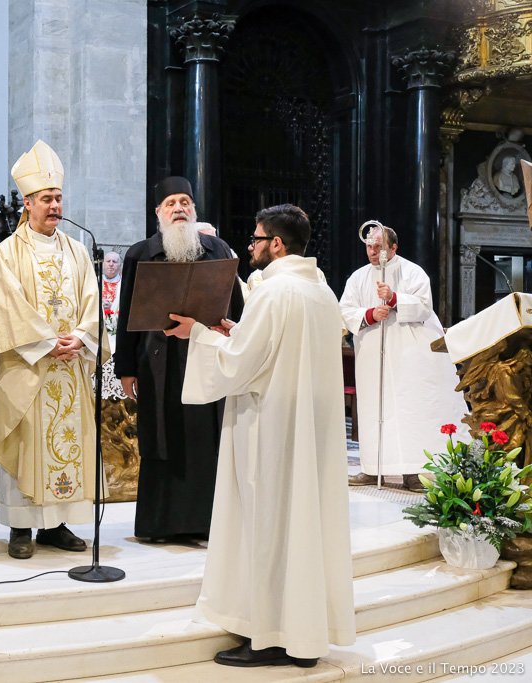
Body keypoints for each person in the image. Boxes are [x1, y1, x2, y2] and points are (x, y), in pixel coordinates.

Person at [167, 204, 355, 667]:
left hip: (269, 431)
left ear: (277, 243)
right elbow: (270, 347)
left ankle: (267, 637)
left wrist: (198, 335)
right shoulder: (321, 292)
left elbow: (240, 364)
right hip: (308, 433)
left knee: (268, 529)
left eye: (255, 239)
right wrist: (236, 332)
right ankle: (305, 636)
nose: (250, 247)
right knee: (302, 527)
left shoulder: (276, 293)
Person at [0, 139, 104, 560]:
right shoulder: (6, 253)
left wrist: (81, 338)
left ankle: (57, 524)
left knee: (65, 443)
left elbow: (91, 302)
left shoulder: (78, 250)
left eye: (59, 198)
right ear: (27, 203)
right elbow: (2, 308)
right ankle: (21, 527)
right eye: (47, 199)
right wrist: (47, 343)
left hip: (69, 367)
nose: (55, 206)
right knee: (27, 443)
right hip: (27, 368)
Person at [113, 176, 242, 542]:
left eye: (185, 202)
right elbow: (126, 317)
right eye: (170, 203)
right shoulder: (140, 253)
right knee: (162, 438)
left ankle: (206, 523)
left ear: (194, 209)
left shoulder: (217, 249)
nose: (179, 208)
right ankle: (160, 524)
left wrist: (231, 333)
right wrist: (125, 368)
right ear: (158, 213)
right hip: (158, 362)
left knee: (205, 439)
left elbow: (235, 306)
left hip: (206, 355)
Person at [339, 224, 468, 492]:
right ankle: (372, 468)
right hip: (373, 354)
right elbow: (346, 309)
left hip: (408, 354)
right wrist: (370, 315)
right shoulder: (358, 277)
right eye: (369, 246)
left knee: (409, 409)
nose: (373, 252)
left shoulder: (412, 272)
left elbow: (424, 306)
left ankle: (412, 470)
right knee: (375, 409)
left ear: (393, 248)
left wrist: (395, 298)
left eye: (379, 247)